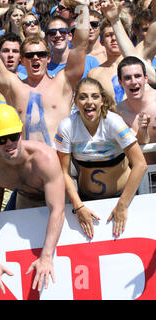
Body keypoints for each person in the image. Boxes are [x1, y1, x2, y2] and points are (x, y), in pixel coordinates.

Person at [0, 0, 89, 147]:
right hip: (25, 165)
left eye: (41, 54)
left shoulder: (63, 83)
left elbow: (81, 45)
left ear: (48, 58)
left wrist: (83, 8)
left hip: (60, 163)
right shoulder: (13, 86)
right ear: (22, 61)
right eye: (30, 55)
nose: (36, 57)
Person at [0, 103, 66, 296]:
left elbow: (57, 209)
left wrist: (47, 256)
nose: (9, 143)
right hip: (25, 199)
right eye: (1, 139)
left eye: (13, 136)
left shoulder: (44, 158)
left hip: (55, 199)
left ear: (21, 133)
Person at [55, 77, 147, 238]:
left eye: (94, 96)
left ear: (102, 101)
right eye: (83, 97)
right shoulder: (66, 127)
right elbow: (63, 172)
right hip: (87, 201)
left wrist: (123, 205)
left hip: (124, 197)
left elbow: (140, 164)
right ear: (75, 102)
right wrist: (78, 206)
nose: (89, 101)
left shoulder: (113, 122)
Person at [116, 56, 156, 165]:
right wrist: (142, 129)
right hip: (139, 175)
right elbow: (138, 142)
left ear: (146, 78)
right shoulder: (117, 113)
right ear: (120, 82)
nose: (134, 82)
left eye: (138, 76)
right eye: (128, 78)